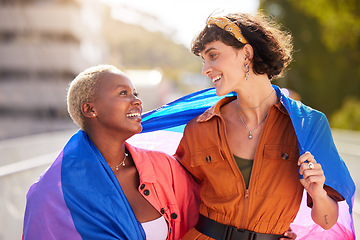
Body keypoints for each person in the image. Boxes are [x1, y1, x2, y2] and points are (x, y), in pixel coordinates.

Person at [174, 12, 346, 240]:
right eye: (204, 60)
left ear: (246, 53)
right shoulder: (199, 128)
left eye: (213, 56)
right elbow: (177, 199)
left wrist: (318, 194)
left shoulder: (308, 125)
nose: (205, 69)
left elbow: (327, 222)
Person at [22, 65, 200, 240]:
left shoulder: (164, 168)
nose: (137, 101)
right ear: (90, 109)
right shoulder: (51, 194)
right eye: (123, 93)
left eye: (135, 94)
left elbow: (202, 222)